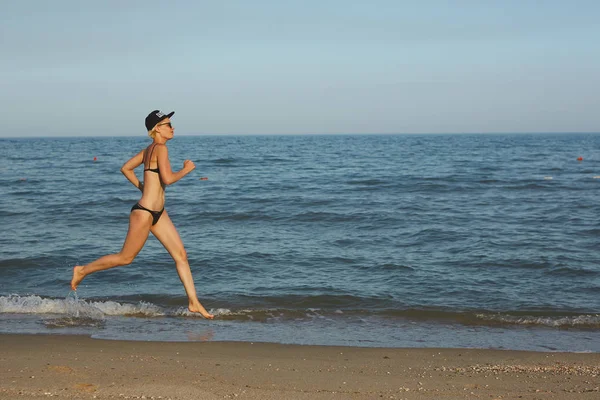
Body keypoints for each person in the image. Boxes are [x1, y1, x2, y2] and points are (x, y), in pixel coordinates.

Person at [71, 110, 214, 319]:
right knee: (125, 258)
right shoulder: (161, 149)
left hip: (158, 212)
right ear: (157, 128)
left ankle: (193, 302)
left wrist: (143, 188)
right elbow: (168, 178)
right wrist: (186, 169)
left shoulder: (149, 150)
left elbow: (126, 168)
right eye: (168, 124)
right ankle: (82, 270)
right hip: (144, 213)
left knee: (181, 255)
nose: (172, 127)